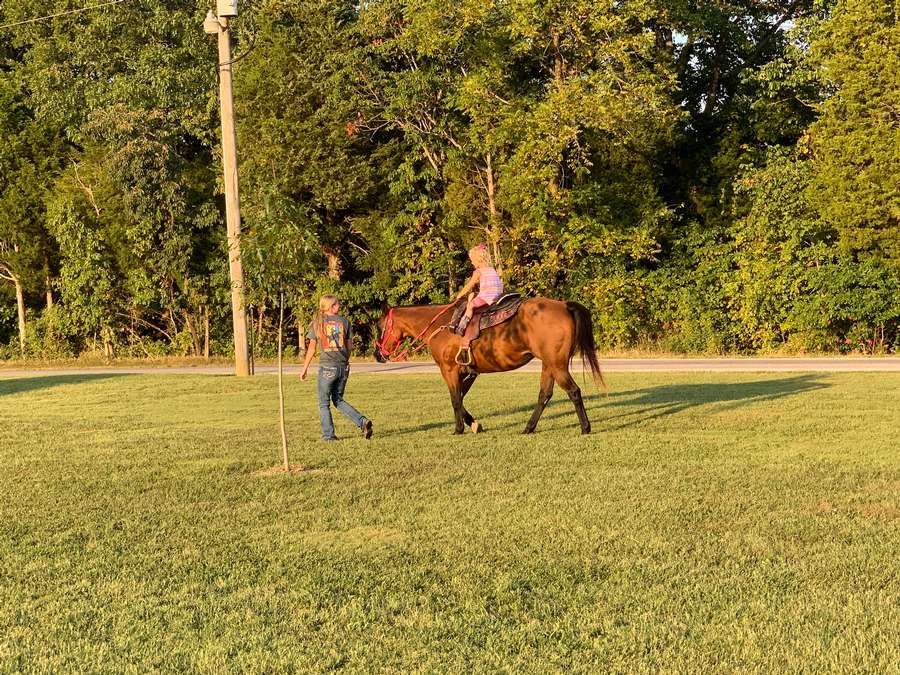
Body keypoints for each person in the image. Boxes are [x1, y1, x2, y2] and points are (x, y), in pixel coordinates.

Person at [300, 293, 373, 441]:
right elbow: (349, 346)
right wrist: (346, 361)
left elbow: (312, 348)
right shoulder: (345, 322)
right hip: (343, 367)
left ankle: (328, 435)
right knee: (338, 399)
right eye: (337, 304)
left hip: (327, 368)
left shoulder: (317, 323)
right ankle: (362, 422)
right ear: (331, 306)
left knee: (323, 403)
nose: (339, 306)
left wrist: (304, 368)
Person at [454, 243, 504, 358]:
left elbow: (469, 285)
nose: (472, 262)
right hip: (497, 296)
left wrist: (459, 296)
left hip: (487, 297)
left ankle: (462, 324)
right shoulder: (492, 269)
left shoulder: (479, 271)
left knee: (471, 305)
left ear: (478, 259)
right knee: (472, 296)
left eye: (472, 260)